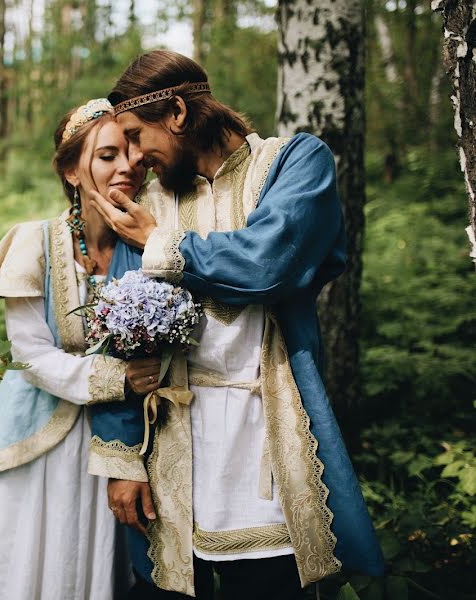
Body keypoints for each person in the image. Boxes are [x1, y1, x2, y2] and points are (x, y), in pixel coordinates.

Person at [86, 51, 385, 599]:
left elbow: (269, 264)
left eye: (135, 134)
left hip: (267, 436)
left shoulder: (294, 164)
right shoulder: (149, 204)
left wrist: (159, 243)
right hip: (173, 443)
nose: (133, 157)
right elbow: (117, 339)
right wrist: (121, 458)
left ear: (176, 113)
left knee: (270, 585)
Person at [0, 98, 159, 600]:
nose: (126, 167)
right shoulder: (35, 242)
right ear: (73, 170)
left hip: (109, 447)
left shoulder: (149, 247)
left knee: (88, 570)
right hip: (35, 441)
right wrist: (116, 378)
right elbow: (29, 354)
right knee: (28, 570)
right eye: (107, 156)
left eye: (133, 155)